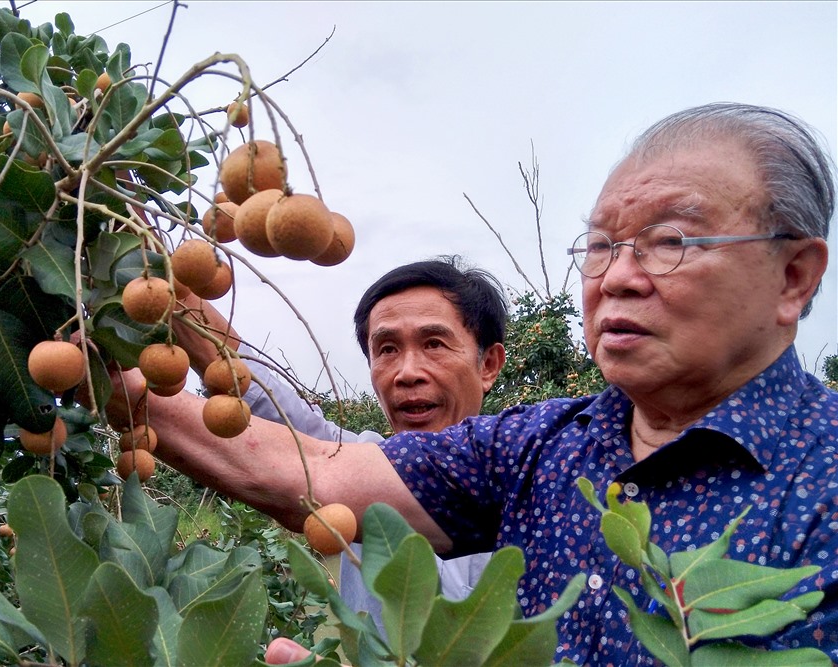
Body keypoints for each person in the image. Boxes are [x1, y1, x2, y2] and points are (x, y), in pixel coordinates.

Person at [111, 103, 836, 664]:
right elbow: (308, 463)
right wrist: (94, 334)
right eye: (600, 246)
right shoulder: (536, 447)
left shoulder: (823, 476)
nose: (616, 277)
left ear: (793, 276)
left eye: (671, 241)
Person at [169, 257, 508, 631]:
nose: (408, 373)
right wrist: (162, 274)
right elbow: (254, 386)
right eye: (387, 349)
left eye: (434, 344)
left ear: (487, 364)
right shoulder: (354, 461)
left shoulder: (538, 477)